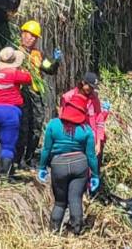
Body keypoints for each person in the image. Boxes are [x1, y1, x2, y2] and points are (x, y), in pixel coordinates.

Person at [38, 94, 99, 235]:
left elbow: (46, 149)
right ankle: (76, 232)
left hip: (58, 165)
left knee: (60, 202)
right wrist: (95, 174)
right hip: (80, 164)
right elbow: (91, 156)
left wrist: (42, 167)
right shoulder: (86, 130)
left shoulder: (53, 125)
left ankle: (53, 232)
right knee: (75, 199)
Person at [16, 20, 63, 170]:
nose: (31, 39)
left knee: (36, 126)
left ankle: (29, 158)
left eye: (34, 37)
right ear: (22, 34)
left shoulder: (38, 55)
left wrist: (56, 61)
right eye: (29, 35)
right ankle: (19, 159)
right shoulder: (15, 51)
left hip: (35, 94)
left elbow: (49, 69)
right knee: (23, 127)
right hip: (22, 93)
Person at [0, 47, 32, 178]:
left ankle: (9, 170)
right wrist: (22, 70)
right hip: (10, 112)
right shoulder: (13, 73)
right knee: (8, 146)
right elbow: (28, 79)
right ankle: (4, 174)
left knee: (4, 141)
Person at [60, 72, 111, 166]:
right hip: (74, 140)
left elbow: (99, 121)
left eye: (93, 88)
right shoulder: (68, 97)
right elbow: (62, 120)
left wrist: (98, 143)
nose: (91, 90)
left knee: (93, 169)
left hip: (91, 140)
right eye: (89, 87)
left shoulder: (94, 99)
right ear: (83, 83)